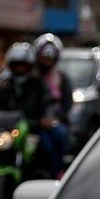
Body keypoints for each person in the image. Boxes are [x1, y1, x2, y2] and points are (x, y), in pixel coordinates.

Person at [0, 42, 59, 177]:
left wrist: (47, 118)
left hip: (33, 129)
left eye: (23, 66)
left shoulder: (38, 83)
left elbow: (49, 102)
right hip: (8, 131)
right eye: (16, 65)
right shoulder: (4, 85)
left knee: (46, 148)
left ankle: (53, 177)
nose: (20, 69)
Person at [33, 33, 73, 177]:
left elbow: (67, 104)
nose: (46, 61)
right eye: (44, 57)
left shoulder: (61, 78)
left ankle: (58, 170)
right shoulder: (31, 77)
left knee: (57, 138)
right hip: (32, 121)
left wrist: (56, 119)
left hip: (54, 123)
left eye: (49, 58)